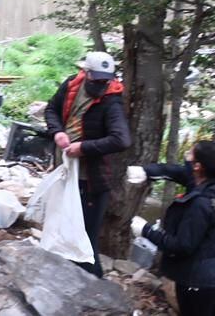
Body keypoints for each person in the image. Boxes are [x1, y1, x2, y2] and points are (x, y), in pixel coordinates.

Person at [44, 50, 131, 277]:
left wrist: (83, 147)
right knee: (64, 228)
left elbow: (121, 139)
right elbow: (52, 109)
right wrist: (57, 132)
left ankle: (94, 285)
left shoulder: (111, 100)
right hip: (65, 170)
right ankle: (67, 279)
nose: (101, 84)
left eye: (106, 80)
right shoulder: (72, 85)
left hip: (90, 178)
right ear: (86, 73)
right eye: (97, 79)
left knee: (86, 236)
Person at [128, 143, 215, 316]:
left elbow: (181, 246)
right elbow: (178, 172)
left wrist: (146, 230)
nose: (186, 154)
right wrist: (147, 171)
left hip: (200, 283)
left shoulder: (201, 204)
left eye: (190, 154)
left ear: (198, 166)